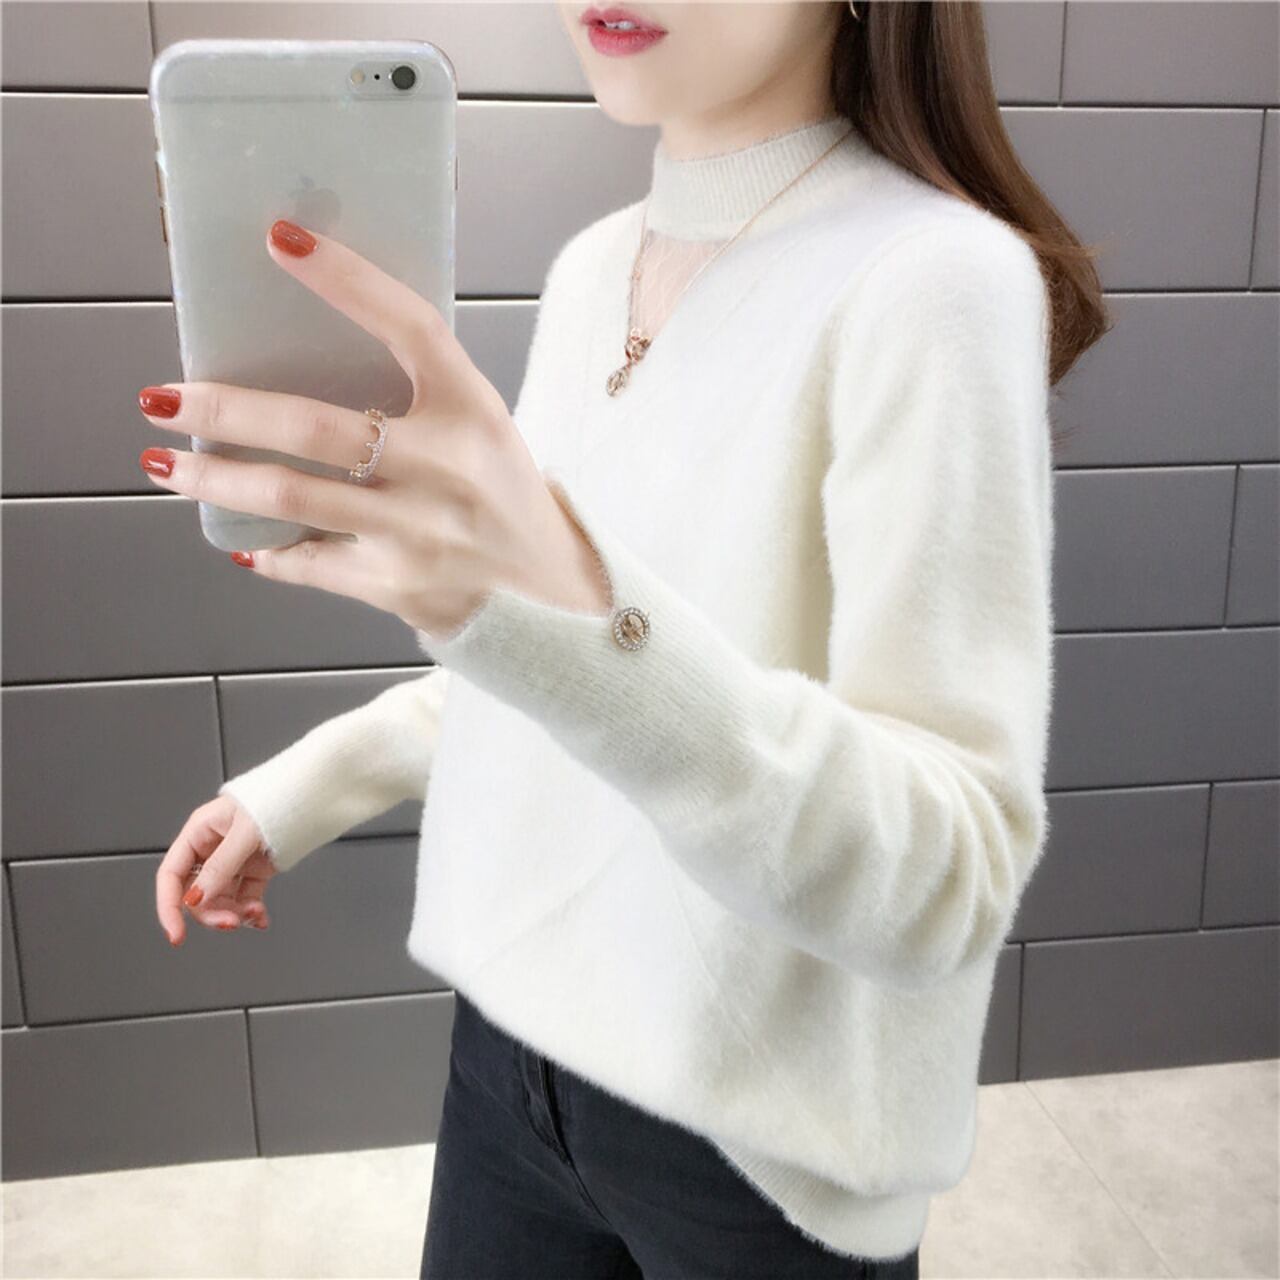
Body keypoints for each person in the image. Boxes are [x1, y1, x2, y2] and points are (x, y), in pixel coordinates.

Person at [150, 2, 1109, 1276]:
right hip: (509, 1054)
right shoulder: (594, 269)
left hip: (755, 1142)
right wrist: (311, 783)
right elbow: (560, 670)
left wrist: (572, 602)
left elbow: (950, 874)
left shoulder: (934, 279)